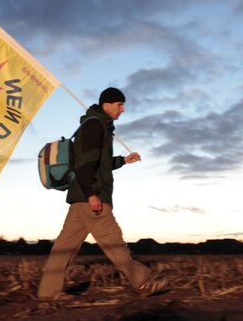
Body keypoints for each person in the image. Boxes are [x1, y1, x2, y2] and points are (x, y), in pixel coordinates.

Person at [37, 87, 167, 301]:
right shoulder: (94, 126)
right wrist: (92, 194)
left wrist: (123, 160)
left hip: (80, 199)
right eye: (119, 105)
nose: (122, 109)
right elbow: (85, 164)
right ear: (106, 104)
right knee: (114, 243)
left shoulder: (98, 126)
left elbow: (100, 164)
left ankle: (48, 291)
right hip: (91, 198)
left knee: (64, 248)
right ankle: (142, 282)